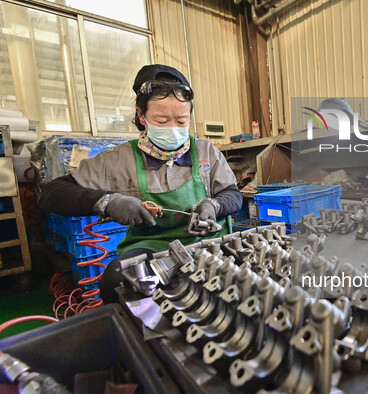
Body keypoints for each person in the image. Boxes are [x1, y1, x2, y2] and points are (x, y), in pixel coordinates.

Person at [39, 64, 242, 303]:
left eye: (181, 120)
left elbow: (233, 195)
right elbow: (52, 193)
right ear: (141, 116)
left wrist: (213, 206)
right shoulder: (117, 160)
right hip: (152, 248)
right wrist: (106, 202)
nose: (173, 128)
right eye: (161, 119)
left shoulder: (207, 151)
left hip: (208, 243)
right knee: (117, 283)